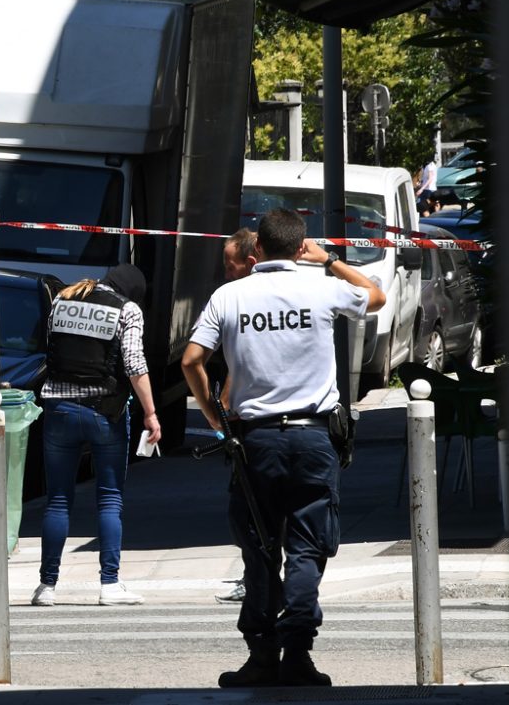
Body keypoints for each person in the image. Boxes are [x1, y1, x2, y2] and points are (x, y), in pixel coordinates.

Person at [182, 209, 384, 688]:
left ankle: (260, 657)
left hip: (256, 442)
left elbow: (192, 359)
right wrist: (330, 260)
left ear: (257, 251)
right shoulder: (320, 286)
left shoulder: (229, 295)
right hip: (314, 439)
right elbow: (374, 295)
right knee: (307, 549)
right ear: (300, 247)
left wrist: (214, 416)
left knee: (258, 548)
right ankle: (297, 654)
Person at [31, 263, 161, 608]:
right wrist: (150, 412)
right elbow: (134, 363)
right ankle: (109, 584)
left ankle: (47, 586)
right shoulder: (127, 309)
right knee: (109, 499)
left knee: (58, 500)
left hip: (58, 408)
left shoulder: (63, 299)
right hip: (104, 410)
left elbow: (51, 349)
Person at [215, 228, 258, 605]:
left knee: (246, 507)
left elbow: (195, 359)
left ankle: (256, 577)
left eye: (231, 266)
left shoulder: (240, 298)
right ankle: (259, 575)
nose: (227, 273)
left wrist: (219, 412)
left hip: (256, 426)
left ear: (251, 262)